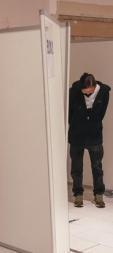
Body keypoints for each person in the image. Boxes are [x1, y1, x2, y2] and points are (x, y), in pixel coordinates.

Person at [69, 73, 110, 208]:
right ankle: (78, 195)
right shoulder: (74, 91)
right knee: (76, 167)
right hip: (76, 135)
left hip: (95, 135)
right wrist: (76, 124)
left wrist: (92, 123)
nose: (87, 93)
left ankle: (98, 195)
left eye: (90, 90)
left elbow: (101, 113)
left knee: (97, 167)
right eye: (84, 91)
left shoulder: (103, 92)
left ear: (94, 87)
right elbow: (70, 112)